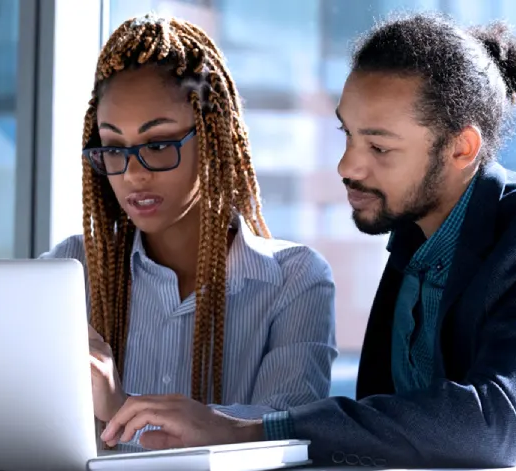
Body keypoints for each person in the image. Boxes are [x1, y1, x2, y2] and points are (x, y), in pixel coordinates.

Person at [98, 12, 516, 468]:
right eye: (347, 134)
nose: (346, 166)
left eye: (379, 148)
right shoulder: (412, 245)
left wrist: (246, 428)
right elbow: (384, 435)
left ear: (462, 148)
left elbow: (495, 425)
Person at [39, 14, 337, 451]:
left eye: (158, 145)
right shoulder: (71, 270)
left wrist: (119, 406)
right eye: (114, 149)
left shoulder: (296, 280)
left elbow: (286, 429)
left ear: (214, 141)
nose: (132, 174)